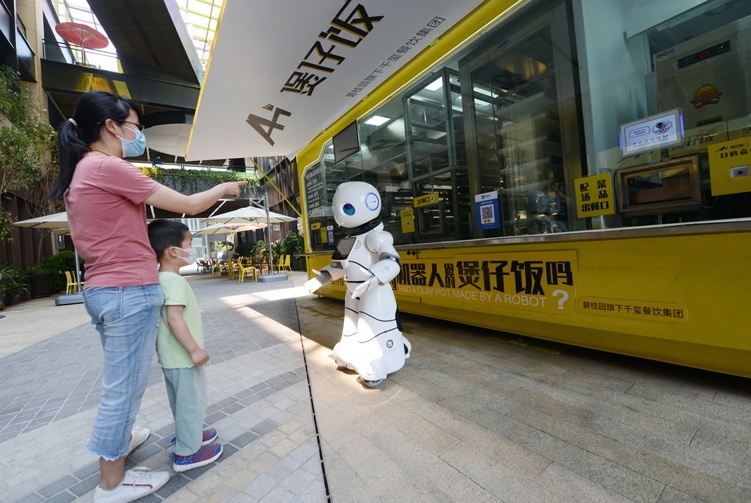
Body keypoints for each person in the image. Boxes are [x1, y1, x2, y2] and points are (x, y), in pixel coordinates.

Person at [49, 90, 246, 502]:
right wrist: (225, 186)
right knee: (123, 390)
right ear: (111, 126)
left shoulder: (81, 170)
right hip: (127, 292)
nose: (139, 135)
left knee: (122, 383)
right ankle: (110, 483)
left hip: (104, 290)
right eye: (136, 126)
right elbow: (190, 204)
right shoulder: (106, 166)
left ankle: (119, 442)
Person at [147, 219, 222, 472]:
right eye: (189, 243)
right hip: (183, 357)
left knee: (182, 402)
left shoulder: (160, 278)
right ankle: (187, 453)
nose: (193, 248)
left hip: (171, 358)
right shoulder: (175, 281)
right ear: (173, 251)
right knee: (192, 402)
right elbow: (174, 317)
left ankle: (188, 435)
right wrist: (194, 350)